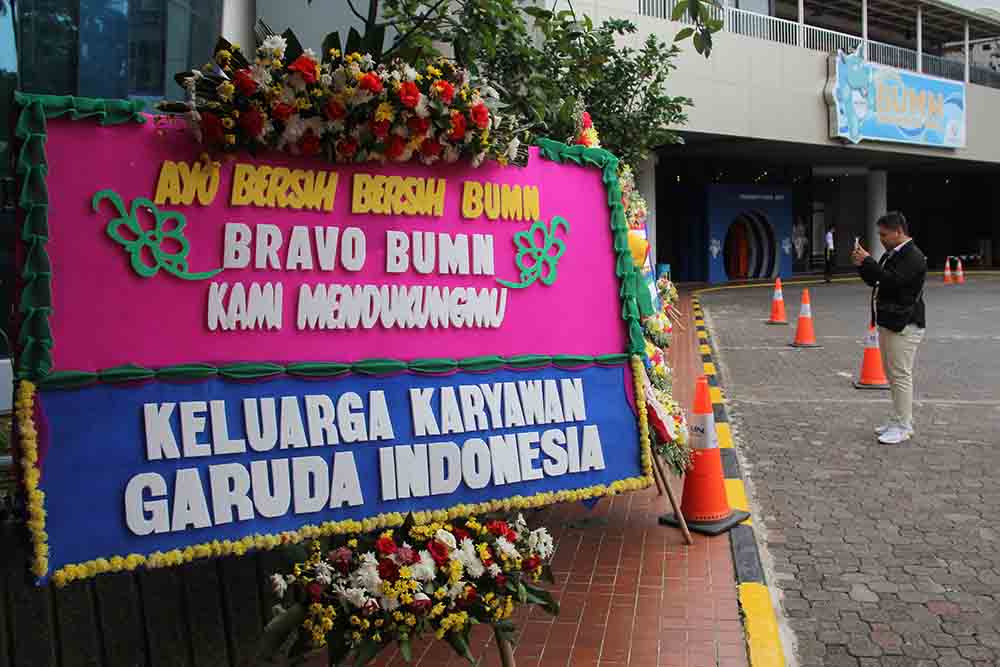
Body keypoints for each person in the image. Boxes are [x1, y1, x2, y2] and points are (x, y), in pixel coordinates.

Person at [851, 212, 927, 445]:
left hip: (905, 324)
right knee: (893, 375)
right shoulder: (893, 254)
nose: (881, 239)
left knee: (900, 375)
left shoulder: (913, 256)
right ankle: (897, 419)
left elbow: (892, 281)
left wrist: (868, 262)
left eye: (884, 235)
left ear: (898, 232)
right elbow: (876, 280)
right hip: (890, 321)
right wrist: (862, 265)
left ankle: (904, 425)